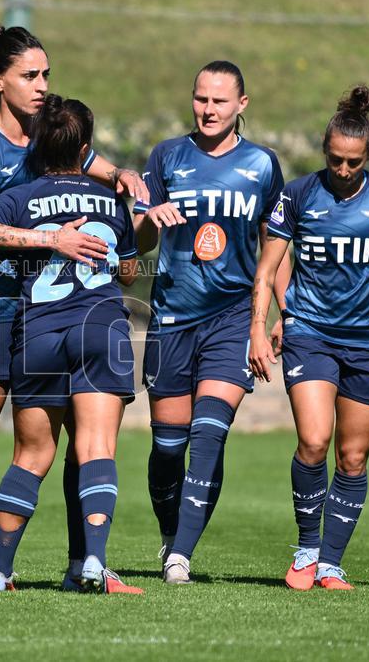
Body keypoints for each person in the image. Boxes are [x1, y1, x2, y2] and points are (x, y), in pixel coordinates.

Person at [0, 21, 148, 591]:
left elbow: (98, 168)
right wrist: (52, 239)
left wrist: (124, 175)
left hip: (51, 314)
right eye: (29, 75)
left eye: (46, 74)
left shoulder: (51, 136)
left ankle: (84, 564)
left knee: (76, 444)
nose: (41, 85)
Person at [249, 84, 369, 590]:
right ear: (324, 151)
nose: (343, 170)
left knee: (352, 457)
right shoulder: (299, 194)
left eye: (352, 162)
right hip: (309, 333)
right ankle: (307, 549)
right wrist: (258, 332)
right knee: (313, 439)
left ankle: (330, 562)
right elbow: (266, 271)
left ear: (367, 155)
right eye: (335, 159)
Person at [0, 94, 142, 593]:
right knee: (95, 447)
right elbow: (129, 273)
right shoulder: (110, 202)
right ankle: (94, 563)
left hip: (38, 330)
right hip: (99, 328)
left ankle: (0, 571)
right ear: (86, 148)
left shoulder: (19, 198)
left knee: (30, 456)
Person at [133, 60, 286, 584]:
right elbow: (139, 242)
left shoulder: (263, 165)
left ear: (242, 105)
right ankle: (170, 535)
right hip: (173, 317)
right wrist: (146, 218)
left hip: (233, 317)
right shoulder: (167, 156)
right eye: (201, 98)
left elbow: (276, 246)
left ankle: (182, 554)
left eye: (220, 101)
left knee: (210, 432)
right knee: (167, 448)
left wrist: (279, 314)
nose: (209, 109)